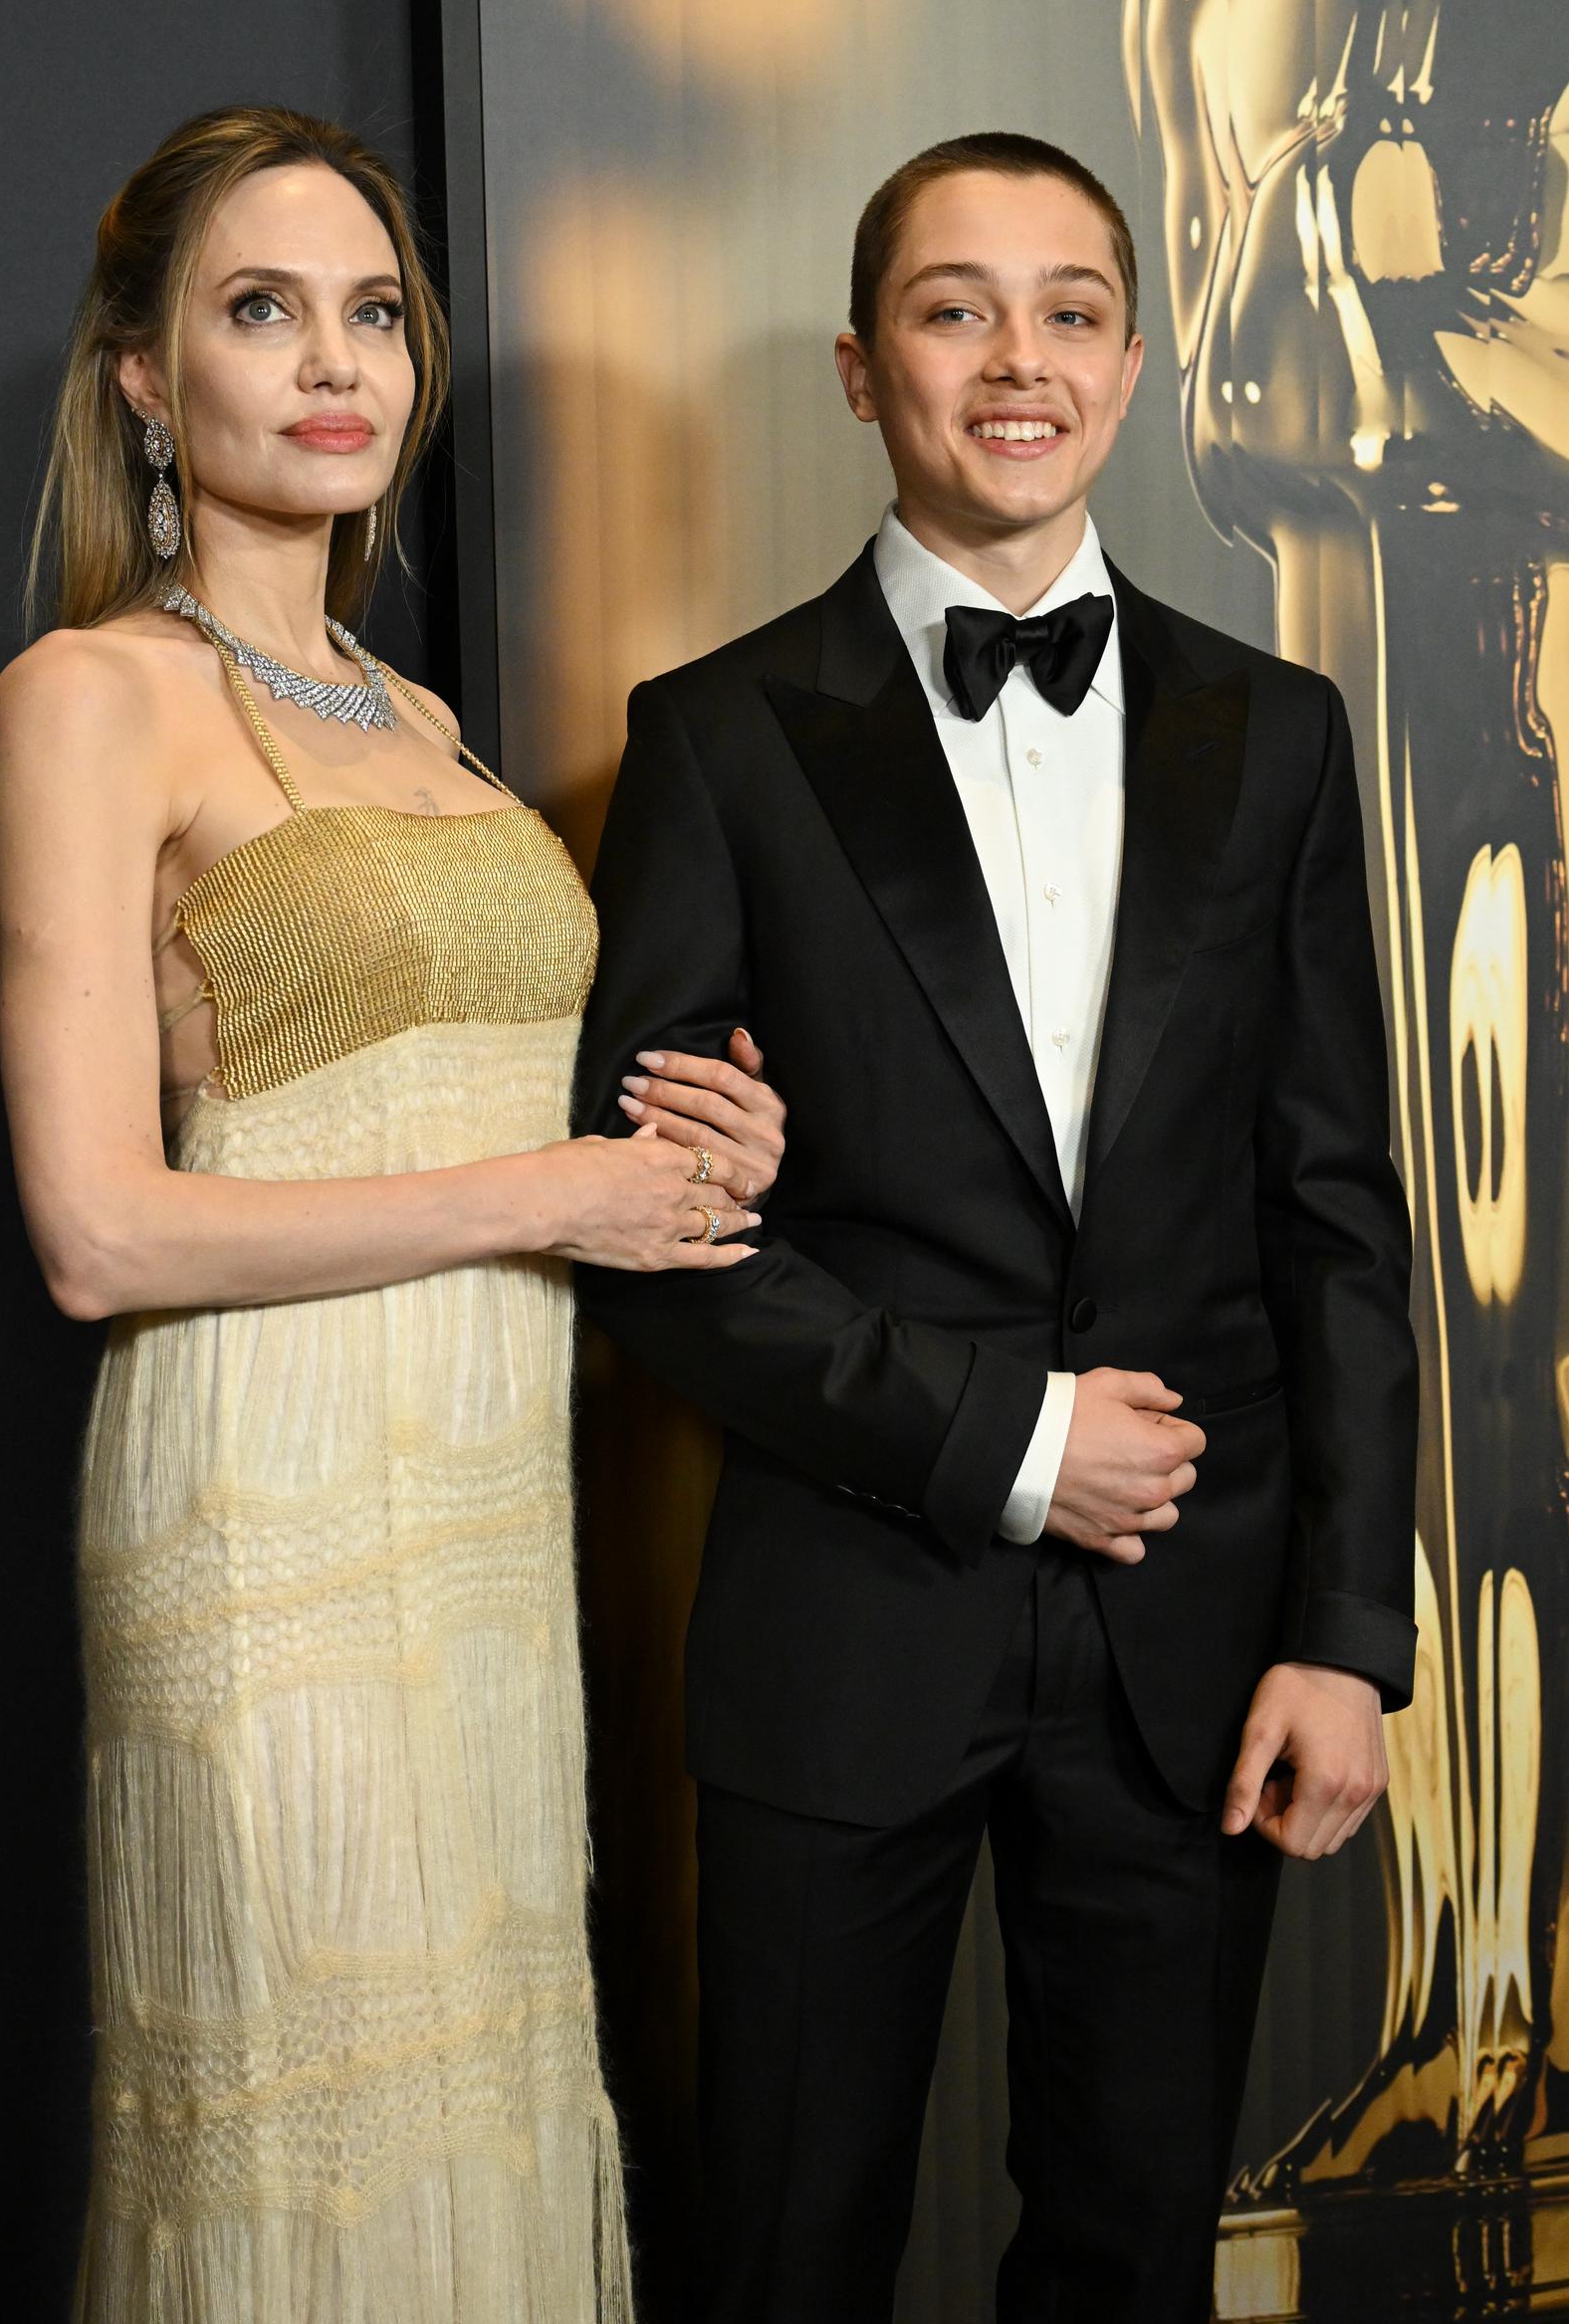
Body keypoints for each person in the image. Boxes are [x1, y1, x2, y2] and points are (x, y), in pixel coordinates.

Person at [571, 131, 1419, 2323]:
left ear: (1131, 365)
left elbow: (1339, 1220)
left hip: (1198, 1645)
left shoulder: (1289, 734)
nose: (1014, 359)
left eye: (1067, 310)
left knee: (1134, 2252)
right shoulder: (716, 738)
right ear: (864, 370)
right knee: (781, 2249)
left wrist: (1346, 1632)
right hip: (847, 1612)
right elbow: (658, 1233)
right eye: (955, 309)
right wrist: (1010, 1440)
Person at [0, 103, 784, 2324]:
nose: (335, 365)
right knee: (300, 2141)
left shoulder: (427, 725)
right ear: (148, 378)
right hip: (263, 1500)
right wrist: (554, 1188)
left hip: (482, 1524)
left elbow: (488, 1108)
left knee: (484, 2114)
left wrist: (696, 1152)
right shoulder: (91, 698)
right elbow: (100, 1235)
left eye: (372, 315)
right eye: (261, 310)